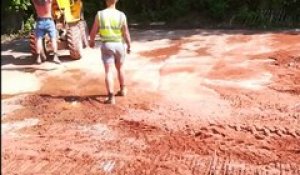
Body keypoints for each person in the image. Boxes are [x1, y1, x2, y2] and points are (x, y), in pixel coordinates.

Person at [89, 0, 131, 104]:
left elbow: (93, 31)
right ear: (116, 1)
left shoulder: (100, 14)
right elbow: (126, 32)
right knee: (120, 68)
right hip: (119, 45)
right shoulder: (121, 15)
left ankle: (111, 97)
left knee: (109, 71)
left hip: (107, 46)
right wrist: (129, 45)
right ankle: (123, 90)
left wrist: (92, 41)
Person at [32, 0, 61, 64]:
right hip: (49, 21)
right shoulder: (48, 1)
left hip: (40, 21)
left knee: (38, 39)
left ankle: (38, 58)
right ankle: (55, 57)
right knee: (53, 39)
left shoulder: (35, 1)